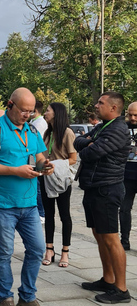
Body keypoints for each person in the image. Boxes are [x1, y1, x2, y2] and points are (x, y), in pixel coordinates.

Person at [0, 88, 54, 306]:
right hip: (2, 203)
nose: (27, 115)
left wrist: (45, 166)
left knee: (38, 249)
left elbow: (40, 157)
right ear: (10, 104)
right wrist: (15, 170)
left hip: (29, 203)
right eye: (23, 110)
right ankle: (5, 297)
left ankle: (27, 295)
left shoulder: (31, 129)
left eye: (31, 111)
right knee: (4, 252)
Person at [75, 92, 131, 304]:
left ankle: (121, 289)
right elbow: (79, 141)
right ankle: (108, 280)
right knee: (99, 234)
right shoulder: (103, 126)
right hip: (94, 188)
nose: (96, 105)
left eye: (101, 103)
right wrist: (87, 142)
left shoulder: (118, 129)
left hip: (107, 190)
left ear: (114, 108)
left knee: (110, 238)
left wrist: (88, 144)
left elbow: (89, 153)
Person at [40, 103, 77, 268]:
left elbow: (73, 158)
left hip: (61, 178)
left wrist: (57, 164)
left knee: (64, 215)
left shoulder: (67, 133)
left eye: (48, 110)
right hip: (45, 177)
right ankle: (49, 249)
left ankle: (65, 251)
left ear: (57, 113)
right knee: (48, 213)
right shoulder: (47, 132)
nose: (45, 113)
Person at [120, 102, 137, 250]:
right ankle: (124, 240)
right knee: (124, 209)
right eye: (130, 114)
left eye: (136, 115)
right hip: (126, 175)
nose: (132, 118)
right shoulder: (123, 127)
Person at [30, 100, 47, 224]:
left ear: (34, 110)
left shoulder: (40, 123)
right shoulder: (33, 122)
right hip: (31, 160)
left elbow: (35, 143)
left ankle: (41, 213)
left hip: (36, 159)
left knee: (38, 187)